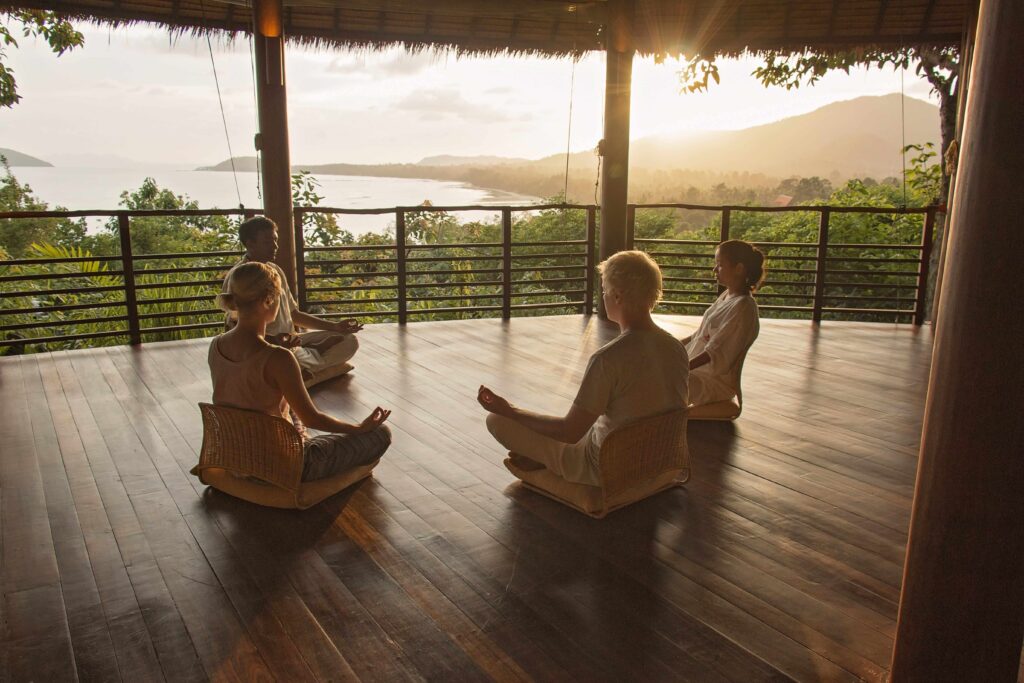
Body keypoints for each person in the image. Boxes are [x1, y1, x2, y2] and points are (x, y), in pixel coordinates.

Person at [477, 250, 689, 486]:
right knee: (582, 423)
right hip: (659, 461)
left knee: (496, 420)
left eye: (605, 290)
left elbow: (569, 432)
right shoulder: (676, 348)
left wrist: (510, 410)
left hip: (609, 466)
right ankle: (546, 456)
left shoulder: (608, 359)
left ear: (617, 296)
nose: (604, 296)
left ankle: (551, 461)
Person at [210, 262, 392, 482]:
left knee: (292, 413)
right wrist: (359, 428)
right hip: (281, 466)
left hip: (237, 459)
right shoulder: (278, 358)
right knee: (381, 434)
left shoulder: (216, 345)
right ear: (269, 299)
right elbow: (313, 419)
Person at [232, 216, 361, 386]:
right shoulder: (239, 277)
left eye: (275, 241)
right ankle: (303, 370)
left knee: (348, 340)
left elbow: (294, 314)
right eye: (268, 242)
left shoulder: (275, 270)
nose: (275, 246)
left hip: (292, 341)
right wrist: (274, 342)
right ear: (250, 243)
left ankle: (302, 369)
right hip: (264, 347)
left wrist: (334, 326)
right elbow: (237, 331)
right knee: (278, 359)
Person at [682, 239, 765, 407]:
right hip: (695, 373)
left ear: (739, 269)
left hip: (713, 381)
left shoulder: (743, 307)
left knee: (656, 383)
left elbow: (714, 352)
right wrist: (668, 347)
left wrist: (680, 368)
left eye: (719, 265)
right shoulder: (727, 296)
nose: (714, 269)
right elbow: (698, 336)